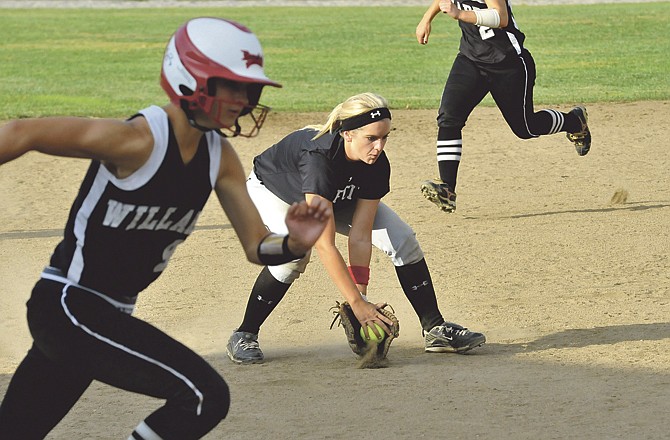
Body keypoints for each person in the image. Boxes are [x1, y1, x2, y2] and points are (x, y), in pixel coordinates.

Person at [0, 17, 332, 440]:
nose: (243, 100)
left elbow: (256, 245)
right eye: (230, 86)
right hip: (69, 306)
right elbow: (21, 132)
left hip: (104, 315)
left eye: (249, 89)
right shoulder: (138, 140)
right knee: (203, 395)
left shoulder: (219, 157)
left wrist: (294, 243)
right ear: (189, 79)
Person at [225, 92, 486, 365]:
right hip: (277, 193)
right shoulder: (320, 159)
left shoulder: (375, 163)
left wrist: (358, 298)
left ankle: (435, 329)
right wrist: (358, 305)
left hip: (334, 195)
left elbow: (360, 235)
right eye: (371, 138)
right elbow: (324, 244)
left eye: (385, 137)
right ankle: (245, 333)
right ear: (347, 134)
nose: (379, 146)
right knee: (295, 254)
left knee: (402, 238)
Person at [416, 0, 592, 213]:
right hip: (470, 60)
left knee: (526, 128)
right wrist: (426, 19)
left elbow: (501, 18)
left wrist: (459, 14)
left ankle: (574, 121)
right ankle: (447, 190)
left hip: (508, 63)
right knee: (449, 118)